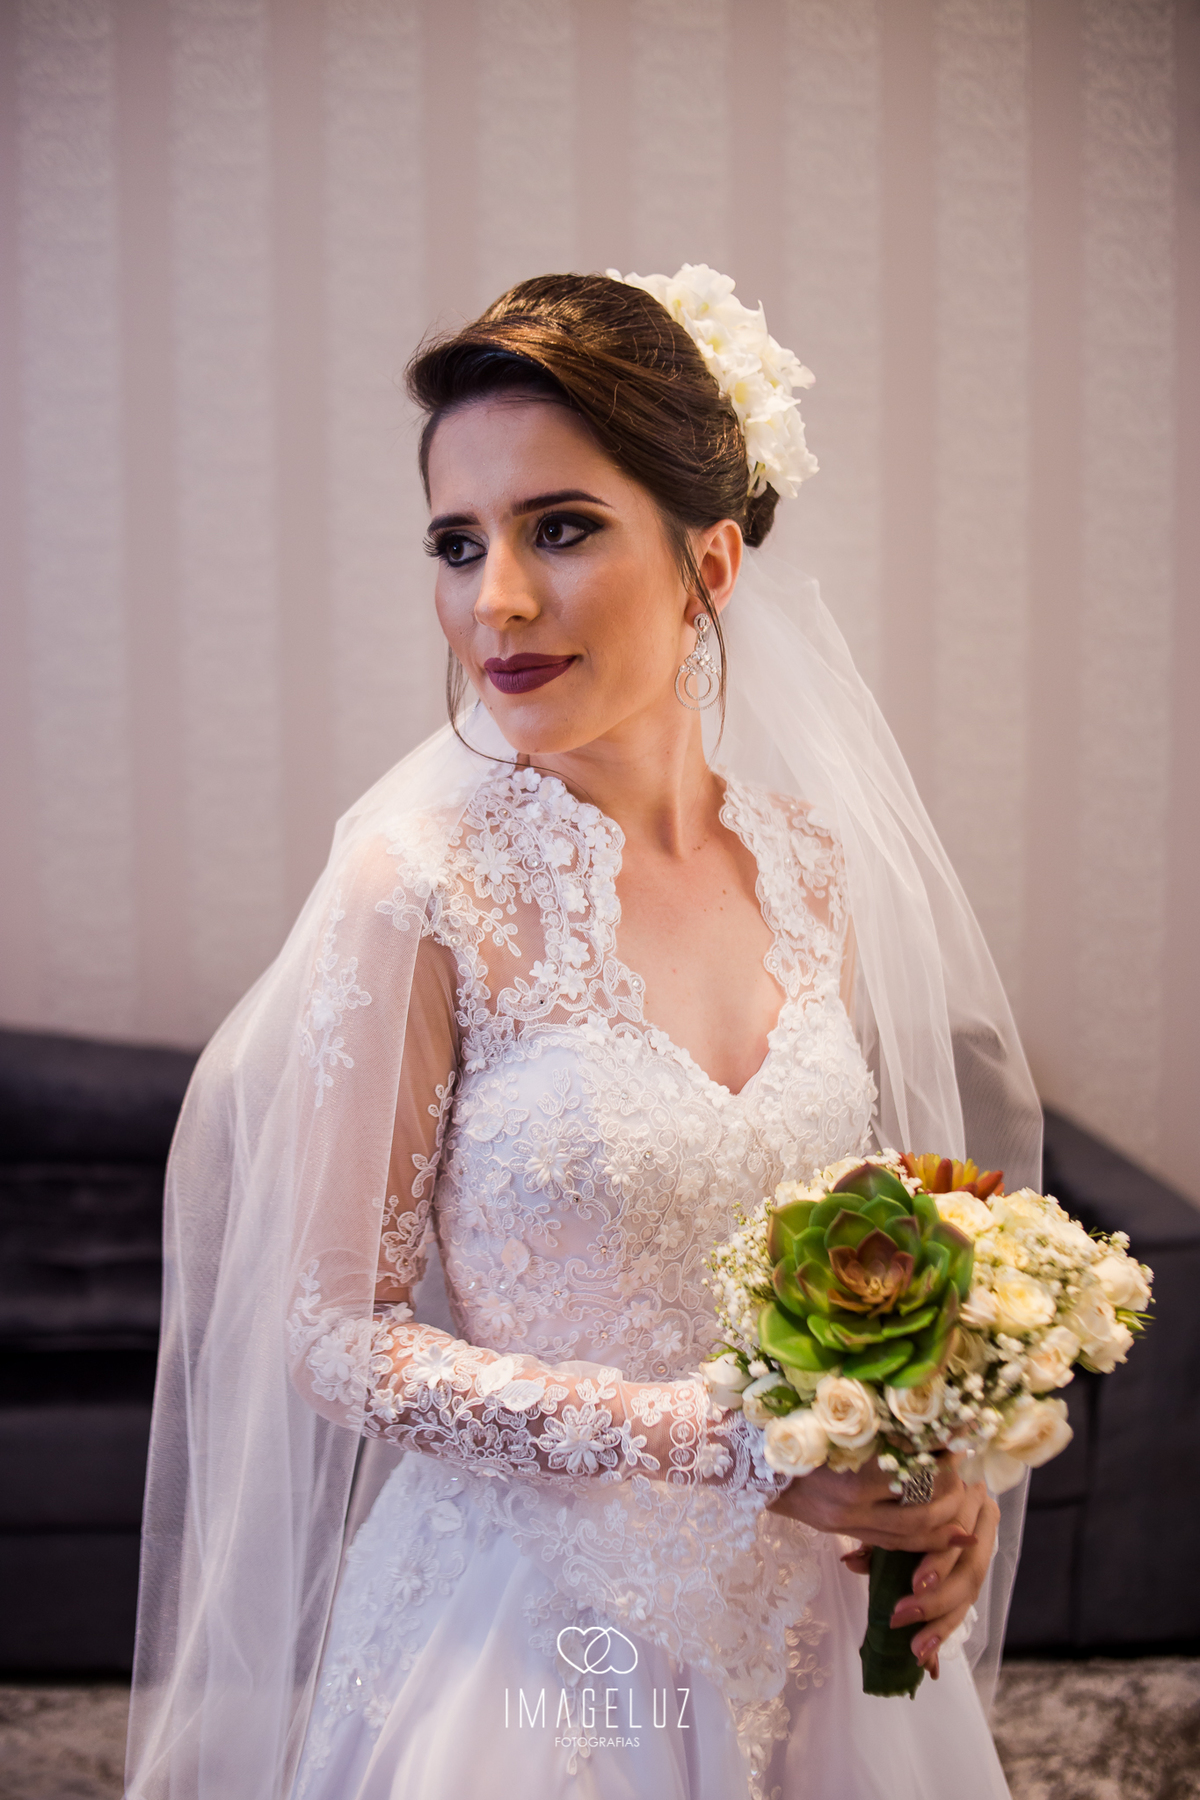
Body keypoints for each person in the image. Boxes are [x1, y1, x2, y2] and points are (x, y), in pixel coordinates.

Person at [125, 268, 1041, 1800]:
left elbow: (870, 1265)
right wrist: (730, 1441)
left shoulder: (814, 870)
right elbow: (333, 1338)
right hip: (528, 1642)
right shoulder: (418, 889)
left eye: (560, 526)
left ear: (713, 561)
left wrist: (942, 1473)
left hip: (812, 1619)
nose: (496, 600)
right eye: (457, 543)